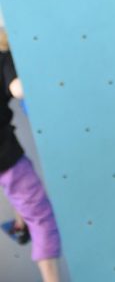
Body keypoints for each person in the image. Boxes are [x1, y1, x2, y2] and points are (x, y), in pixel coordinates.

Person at [0, 28, 62, 282]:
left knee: (21, 192)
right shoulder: (4, 57)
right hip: (4, 156)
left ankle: (19, 223)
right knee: (40, 216)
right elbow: (19, 89)